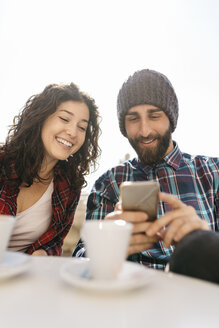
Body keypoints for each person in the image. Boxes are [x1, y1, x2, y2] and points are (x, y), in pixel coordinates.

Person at [73, 69, 219, 272]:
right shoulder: (109, 183)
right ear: (123, 126)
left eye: (154, 116)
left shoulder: (213, 172)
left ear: (171, 119)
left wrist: (207, 241)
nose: (144, 131)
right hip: (131, 296)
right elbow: (80, 262)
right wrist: (104, 244)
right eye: (133, 119)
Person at [0, 82, 100, 256]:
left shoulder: (69, 186)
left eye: (82, 127)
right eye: (64, 119)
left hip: (24, 277)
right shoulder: (2, 163)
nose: (72, 132)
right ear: (41, 117)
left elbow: (55, 242)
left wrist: (43, 254)